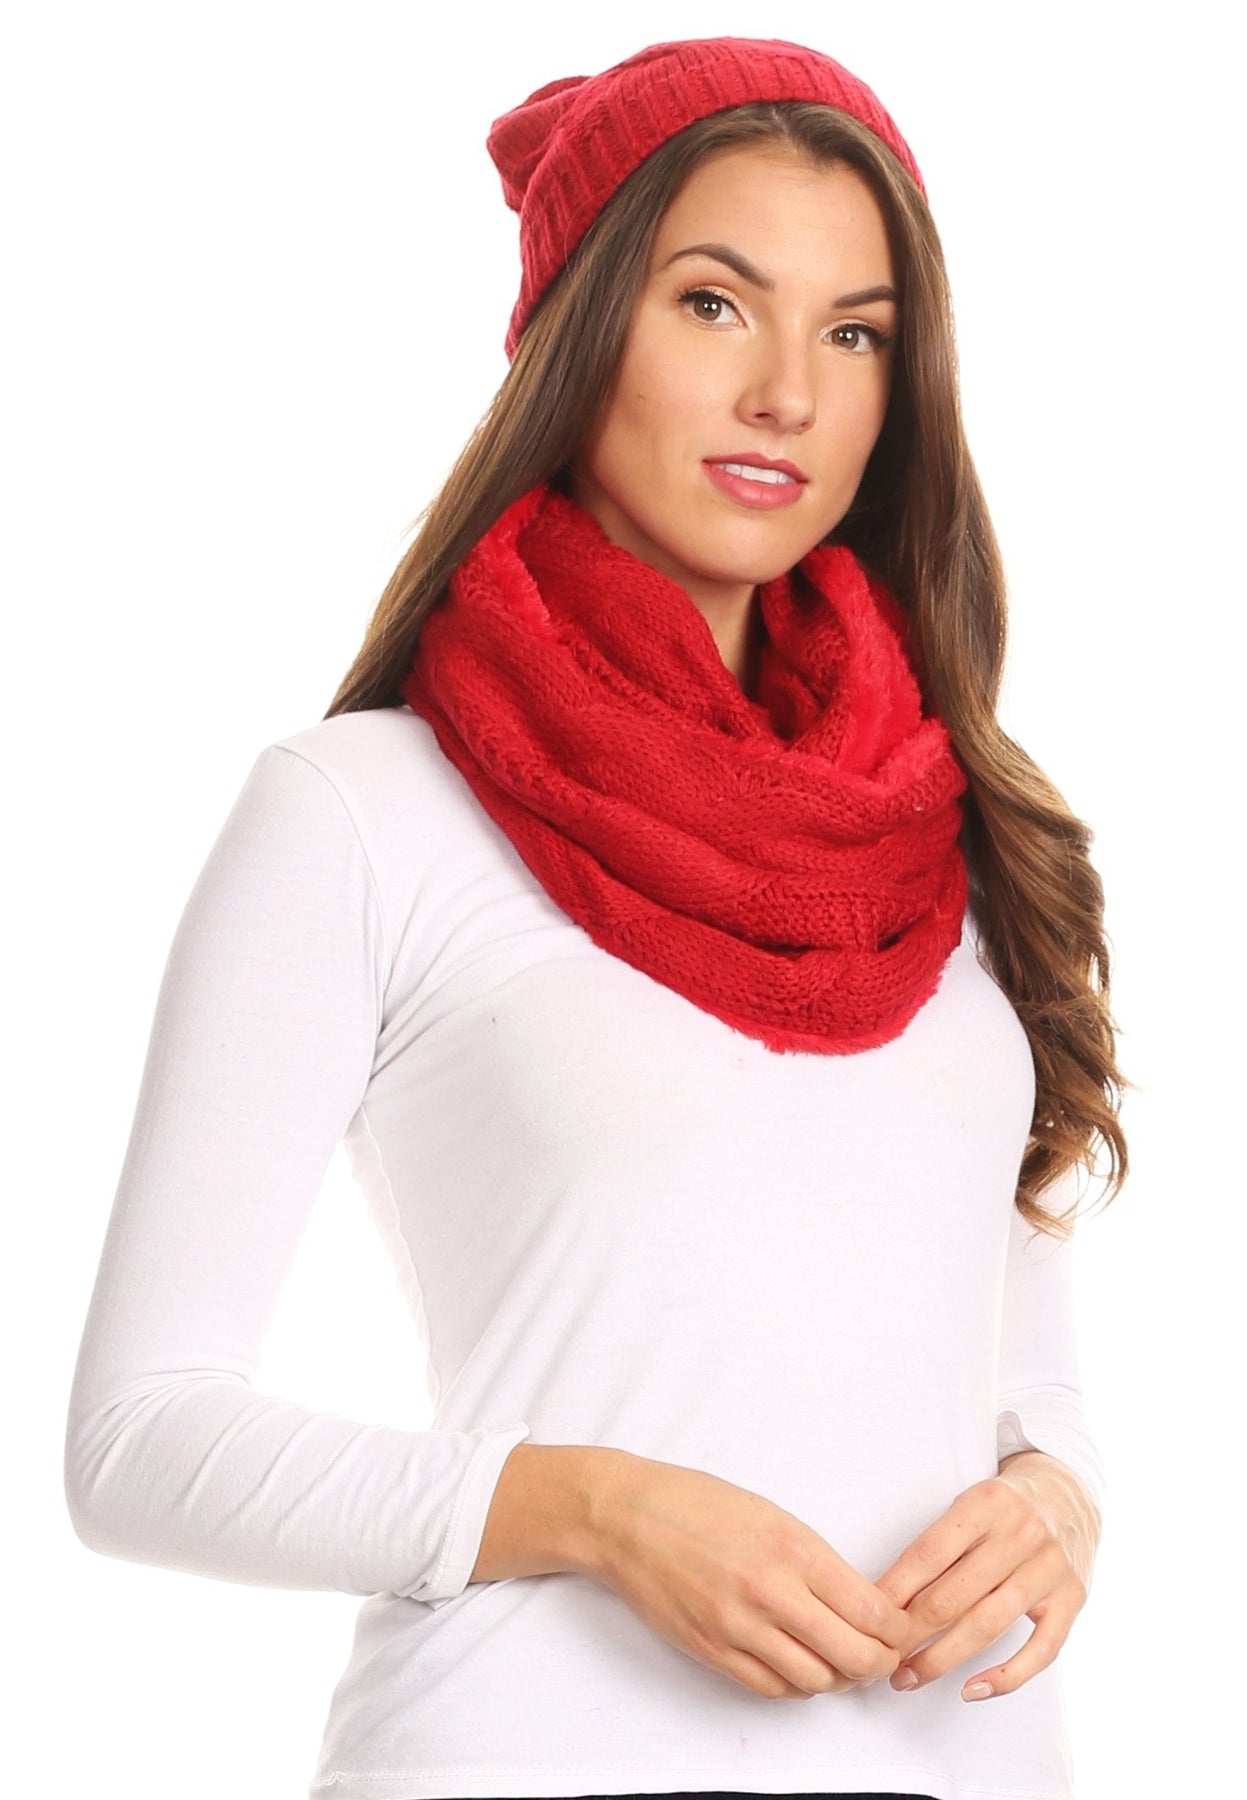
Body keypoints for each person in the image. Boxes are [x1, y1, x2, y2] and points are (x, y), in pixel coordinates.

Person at [63, 34, 1128, 1800]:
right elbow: (138, 1440)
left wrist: (1060, 1499)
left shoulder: (948, 827)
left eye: (854, 333)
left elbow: (1028, 1375)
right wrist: (598, 1510)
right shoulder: (361, 810)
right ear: (578, 333)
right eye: (715, 304)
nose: (786, 392)